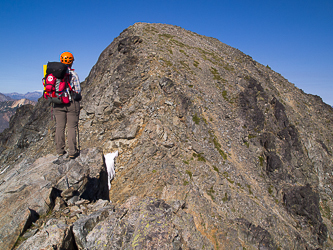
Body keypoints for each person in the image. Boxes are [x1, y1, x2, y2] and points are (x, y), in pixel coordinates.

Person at [54, 51, 81, 159]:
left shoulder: (54, 74)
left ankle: (60, 151)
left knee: (60, 126)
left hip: (57, 103)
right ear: (71, 62)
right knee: (71, 127)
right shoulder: (73, 74)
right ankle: (72, 152)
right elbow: (78, 90)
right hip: (71, 103)